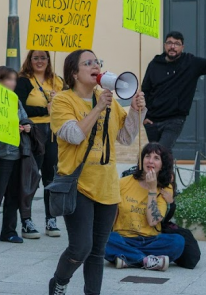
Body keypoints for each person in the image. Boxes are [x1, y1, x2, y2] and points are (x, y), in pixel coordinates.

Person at [48, 49, 145, 295]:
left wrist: (136, 111)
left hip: (107, 186)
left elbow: (125, 137)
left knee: (97, 250)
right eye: (88, 63)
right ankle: (59, 281)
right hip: (77, 184)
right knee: (81, 247)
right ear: (74, 73)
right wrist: (98, 108)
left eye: (97, 62)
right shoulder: (62, 100)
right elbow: (73, 135)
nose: (96, 66)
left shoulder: (107, 99)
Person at [105, 143, 185, 271]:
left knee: (178, 242)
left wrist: (152, 188)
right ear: (141, 160)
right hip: (124, 239)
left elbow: (153, 220)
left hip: (152, 240)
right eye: (147, 156)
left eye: (156, 158)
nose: (150, 161)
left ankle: (128, 258)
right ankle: (147, 260)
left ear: (162, 165)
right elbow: (110, 217)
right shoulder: (123, 182)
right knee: (105, 239)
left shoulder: (165, 188)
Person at [0, 66, 33, 245]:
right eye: (8, 79)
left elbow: (23, 117)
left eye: (14, 79)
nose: (12, 83)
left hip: (18, 153)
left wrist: (26, 126)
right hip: (1, 154)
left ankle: (9, 231)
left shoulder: (15, 99)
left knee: (14, 195)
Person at [16, 50, 65, 238]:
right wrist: (45, 109)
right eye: (35, 58)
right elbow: (20, 106)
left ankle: (50, 219)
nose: (39, 61)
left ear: (48, 59)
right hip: (33, 133)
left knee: (50, 177)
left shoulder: (57, 81)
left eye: (43, 57)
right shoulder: (24, 80)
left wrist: (57, 102)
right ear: (29, 60)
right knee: (30, 176)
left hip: (53, 133)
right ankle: (26, 221)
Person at [142, 31, 206, 150]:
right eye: (169, 43)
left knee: (160, 152)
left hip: (174, 120)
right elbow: (145, 90)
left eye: (177, 44)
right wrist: (144, 116)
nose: (172, 46)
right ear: (164, 45)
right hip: (152, 121)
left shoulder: (191, 63)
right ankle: (168, 169)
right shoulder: (154, 64)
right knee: (162, 157)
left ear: (182, 47)